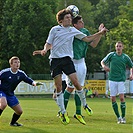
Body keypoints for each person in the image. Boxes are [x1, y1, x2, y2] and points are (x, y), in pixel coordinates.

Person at [33, 9, 108, 125]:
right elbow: (48, 43)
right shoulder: (55, 29)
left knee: (77, 83)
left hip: (67, 60)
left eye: (70, 17)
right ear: (61, 20)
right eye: (67, 17)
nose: (69, 19)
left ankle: (85, 105)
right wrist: (44, 50)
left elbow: (87, 39)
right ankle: (63, 112)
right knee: (59, 87)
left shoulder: (73, 30)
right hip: (55, 60)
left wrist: (100, 33)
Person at [63, 15, 105, 125]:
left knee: (79, 88)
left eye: (83, 22)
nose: (83, 24)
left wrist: (99, 34)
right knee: (70, 88)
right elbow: (87, 39)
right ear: (75, 25)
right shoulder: (72, 32)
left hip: (82, 62)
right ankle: (62, 111)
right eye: (80, 22)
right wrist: (99, 32)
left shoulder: (85, 31)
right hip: (72, 62)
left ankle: (78, 112)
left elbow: (93, 44)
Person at [0, 56, 42, 126]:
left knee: (19, 111)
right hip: (1, 91)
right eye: (15, 62)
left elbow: (28, 79)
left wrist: (34, 83)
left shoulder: (21, 73)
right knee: (3, 104)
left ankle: (13, 123)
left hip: (10, 94)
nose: (17, 64)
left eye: (18, 62)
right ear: (11, 64)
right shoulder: (4, 72)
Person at [101, 41, 133, 124]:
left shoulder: (125, 57)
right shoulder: (111, 55)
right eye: (117, 46)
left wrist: (131, 73)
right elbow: (102, 61)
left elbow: (131, 66)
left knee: (122, 98)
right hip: (112, 79)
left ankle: (123, 117)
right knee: (113, 99)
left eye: (120, 46)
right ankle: (118, 117)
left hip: (121, 80)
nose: (118, 48)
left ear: (122, 47)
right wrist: (104, 66)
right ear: (115, 47)